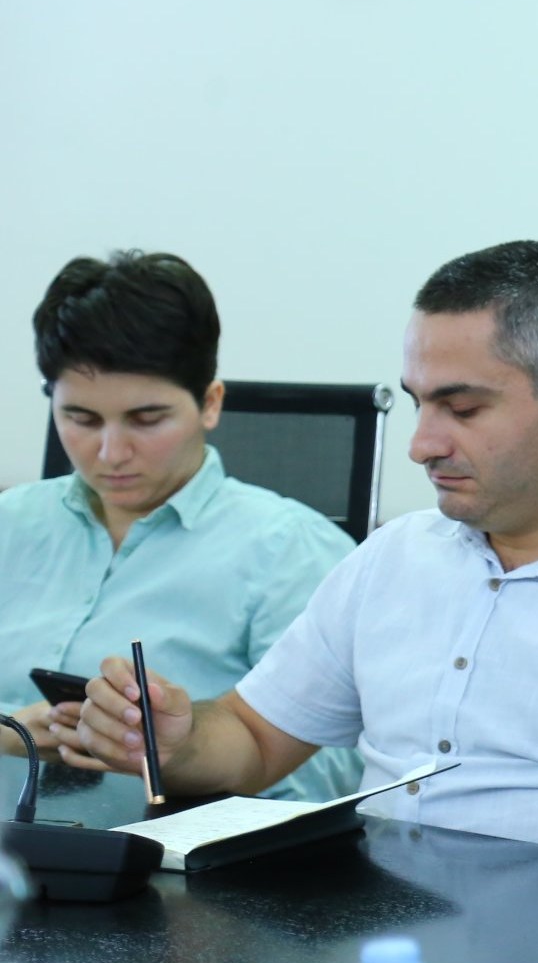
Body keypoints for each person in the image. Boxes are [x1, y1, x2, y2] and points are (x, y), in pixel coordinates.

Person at [59, 241, 538, 857]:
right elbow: (255, 741)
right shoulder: (395, 558)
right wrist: (179, 739)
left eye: (463, 407)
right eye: (420, 402)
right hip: (367, 945)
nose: (421, 444)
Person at [0, 251, 359, 801]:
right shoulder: (12, 523)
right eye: (81, 418)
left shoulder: (290, 552)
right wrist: (12, 732)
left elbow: (330, 777)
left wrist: (184, 754)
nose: (110, 452)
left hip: (171, 851)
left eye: (147, 419)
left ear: (210, 403)